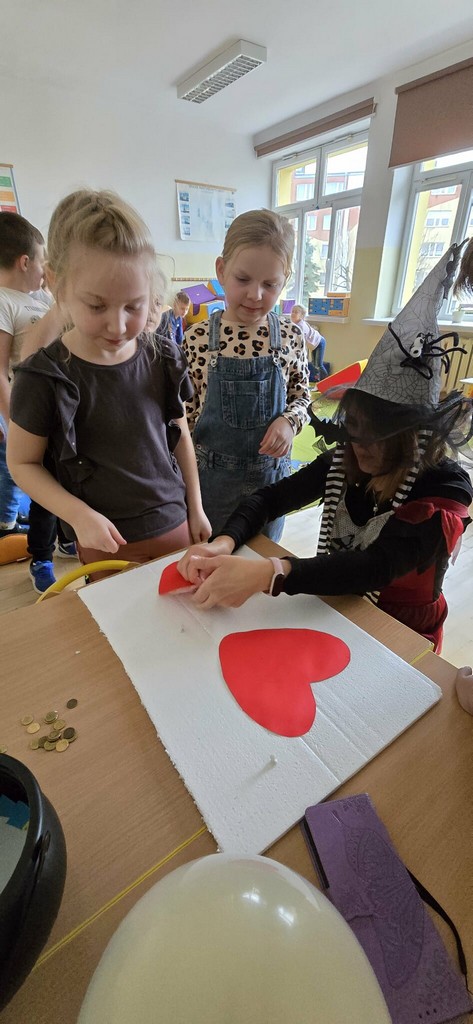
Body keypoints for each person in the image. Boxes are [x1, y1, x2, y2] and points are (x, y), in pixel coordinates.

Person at [177, 241, 473, 654]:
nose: (359, 446)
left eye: (375, 437)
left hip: (402, 634)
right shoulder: (348, 459)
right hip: (337, 609)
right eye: (354, 430)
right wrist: (225, 541)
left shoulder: (444, 492)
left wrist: (268, 574)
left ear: (411, 438)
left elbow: (374, 567)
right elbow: (269, 499)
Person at [7, 188, 211, 576]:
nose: (118, 326)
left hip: (174, 522)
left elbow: (181, 436)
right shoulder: (43, 376)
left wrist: (197, 507)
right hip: (103, 539)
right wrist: (77, 515)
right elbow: (22, 462)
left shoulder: (164, 357)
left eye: (133, 305)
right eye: (97, 305)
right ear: (56, 282)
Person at [183, 209, 311, 542]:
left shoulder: (291, 336)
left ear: (285, 280)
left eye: (270, 284)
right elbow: (184, 419)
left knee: (260, 561)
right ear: (221, 270)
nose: (256, 295)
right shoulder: (197, 339)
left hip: (270, 486)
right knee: (210, 561)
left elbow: (302, 397)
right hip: (210, 487)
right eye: (243, 280)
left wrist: (289, 422)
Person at [0, 211, 69, 592]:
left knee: (68, 475)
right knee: (45, 486)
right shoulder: (4, 301)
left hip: (64, 407)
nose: (45, 271)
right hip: (32, 412)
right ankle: (41, 556)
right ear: (25, 261)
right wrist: (14, 422)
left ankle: (66, 537)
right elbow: (1, 370)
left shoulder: (39, 298)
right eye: (42, 261)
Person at [290, 304, 329, 381]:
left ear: (301, 316)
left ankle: (327, 381)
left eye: (296, 312)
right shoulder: (293, 325)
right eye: (292, 312)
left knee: (318, 364)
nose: (293, 313)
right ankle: (318, 380)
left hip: (319, 342)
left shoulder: (301, 326)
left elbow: (301, 341)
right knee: (314, 364)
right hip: (313, 345)